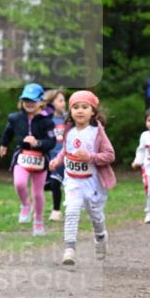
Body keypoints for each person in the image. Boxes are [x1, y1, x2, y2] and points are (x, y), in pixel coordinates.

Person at [49, 90, 115, 266]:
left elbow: (110, 155)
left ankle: (100, 237)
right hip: (72, 181)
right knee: (71, 211)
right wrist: (57, 160)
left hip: (92, 182)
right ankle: (69, 250)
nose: (80, 111)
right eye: (76, 107)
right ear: (70, 111)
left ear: (93, 111)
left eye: (84, 107)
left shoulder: (97, 132)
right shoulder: (68, 131)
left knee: (96, 217)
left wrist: (90, 158)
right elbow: (66, 150)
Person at [0, 83, 56, 236]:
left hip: (40, 160)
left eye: (32, 101)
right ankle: (25, 205)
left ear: (41, 103)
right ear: (21, 102)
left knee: (38, 193)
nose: (29, 104)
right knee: (19, 183)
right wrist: (4, 145)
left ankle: (38, 221)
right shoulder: (15, 118)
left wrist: (38, 143)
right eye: (26, 101)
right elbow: (8, 131)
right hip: (22, 157)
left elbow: (52, 142)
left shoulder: (47, 122)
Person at [41, 88, 67, 222]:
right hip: (49, 158)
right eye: (60, 100)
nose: (64, 103)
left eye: (64, 100)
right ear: (51, 103)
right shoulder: (46, 120)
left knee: (55, 182)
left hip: (64, 159)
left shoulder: (68, 118)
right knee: (48, 184)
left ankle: (56, 211)